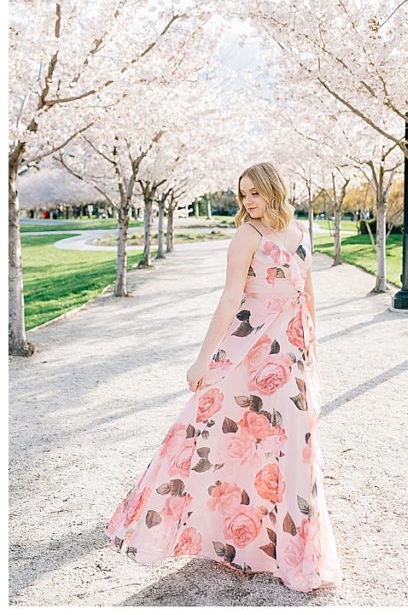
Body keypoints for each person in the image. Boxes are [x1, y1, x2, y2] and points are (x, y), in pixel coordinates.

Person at [105, 161, 341, 592]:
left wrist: (311, 346)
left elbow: (308, 293)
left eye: (255, 192)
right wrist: (203, 360)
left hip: (292, 351)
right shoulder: (246, 237)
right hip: (249, 349)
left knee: (296, 443)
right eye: (243, 194)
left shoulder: (303, 233)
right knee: (228, 435)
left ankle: (294, 552)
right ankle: (230, 535)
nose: (249, 201)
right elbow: (231, 298)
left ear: (274, 190)